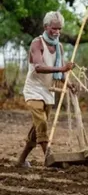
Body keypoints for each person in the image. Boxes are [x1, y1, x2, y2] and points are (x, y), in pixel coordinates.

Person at [16, 11, 75, 167]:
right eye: (53, 29)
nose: (56, 32)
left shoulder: (59, 47)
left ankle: (21, 160)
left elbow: (59, 73)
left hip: (48, 92)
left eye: (59, 29)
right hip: (33, 90)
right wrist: (62, 68)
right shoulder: (37, 43)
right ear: (45, 26)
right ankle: (50, 157)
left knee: (38, 127)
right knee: (41, 122)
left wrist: (68, 84)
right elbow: (39, 67)